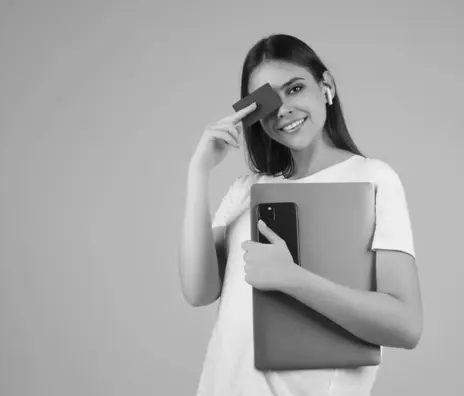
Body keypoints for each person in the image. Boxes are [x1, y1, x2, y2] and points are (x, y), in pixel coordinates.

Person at [178, 33, 423, 396]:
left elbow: (405, 325)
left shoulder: (372, 178)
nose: (283, 110)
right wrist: (198, 171)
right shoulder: (246, 190)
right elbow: (199, 291)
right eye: (267, 102)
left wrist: (291, 278)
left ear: (326, 87)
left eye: (294, 89)